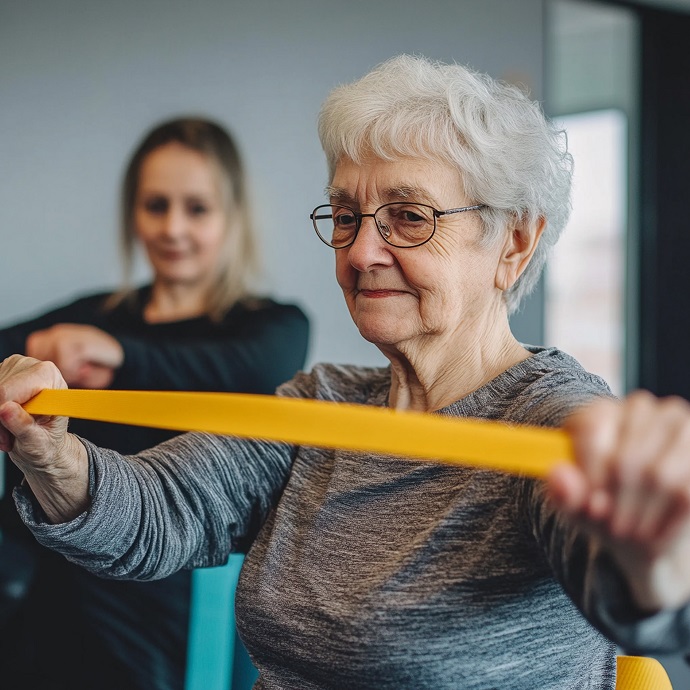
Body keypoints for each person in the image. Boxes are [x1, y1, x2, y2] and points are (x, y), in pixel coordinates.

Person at [1, 55, 690, 690]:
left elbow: (635, 584)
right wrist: (51, 456)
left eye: (408, 217)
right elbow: (157, 511)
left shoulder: (555, 421)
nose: (361, 252)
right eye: (347, 215)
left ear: (513, 241)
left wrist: (655, 556)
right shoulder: (318, 404)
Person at [0, 117, 309, 690]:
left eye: (197, 208)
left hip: (176, 597)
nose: (173, 227)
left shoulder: (271, 328)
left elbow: (250, 370)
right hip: (48, 593)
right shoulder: (92, 315)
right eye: (155, 205)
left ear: (231, 216)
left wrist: (119, 356)